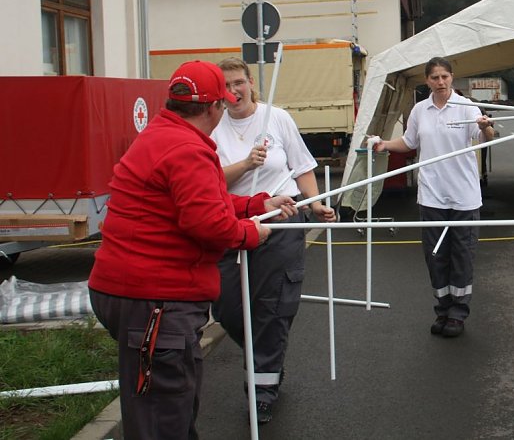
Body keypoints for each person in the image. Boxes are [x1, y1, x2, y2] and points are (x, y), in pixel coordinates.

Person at [88, 60, 297, 440]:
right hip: (154, 300)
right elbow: (209, 225)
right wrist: (252, 233)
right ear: (216, 107)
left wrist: (256, 204)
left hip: (134, 293)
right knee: (163, 412)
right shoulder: (187, 149)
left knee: (166, 400)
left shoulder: (163, 135)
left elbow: (202, 202)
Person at [210, 58, 337, 424]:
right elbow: (207, 178)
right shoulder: (212, 125)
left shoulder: (276, 118)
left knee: (273, 306)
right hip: (232, 223)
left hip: (281, 220)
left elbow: (301, 166)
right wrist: (246, 164)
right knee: (228, 307)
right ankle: (265, 356)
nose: (233, 92)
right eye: (226, 87)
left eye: (238, 83)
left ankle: (262, 389)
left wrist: (315, 205)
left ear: (251, 82)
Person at [372, 57, 495, 338]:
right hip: (431, 195)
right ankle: (443, 308)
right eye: (435, 78)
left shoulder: (466, 107)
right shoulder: (419, 110)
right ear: (427, 80)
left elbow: (486, 137)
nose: (440, 82)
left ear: (452, 78)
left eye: (445, 77)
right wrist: (384, 144)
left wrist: (486, 125)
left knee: (461, 255)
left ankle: (458, 314)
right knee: (436, 255)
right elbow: (409, 142)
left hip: (463, 195)